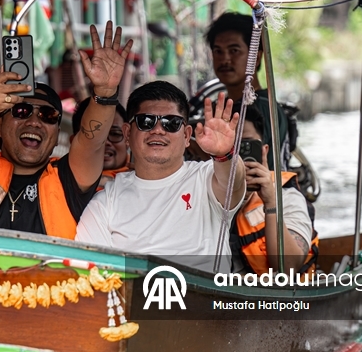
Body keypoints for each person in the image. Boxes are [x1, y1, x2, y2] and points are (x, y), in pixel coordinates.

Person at [0, 22, 133, 238]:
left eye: (47, 116)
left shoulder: (70, 179)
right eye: (21, 111)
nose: (34, 121)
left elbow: (91, 142)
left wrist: (105, 92)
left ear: (57, 134)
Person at [75, 81, 246, 265]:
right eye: (146, 122)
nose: (158, 130)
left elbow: (232, 182)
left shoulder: (205, 177)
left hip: (205, 292)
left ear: (187, 136)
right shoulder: (106, 200)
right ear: (127, 133)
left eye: (171, 123)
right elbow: (92, 271)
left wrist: (224, 154)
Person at [232, 105, 318, 274]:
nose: (238, 155)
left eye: (247, 145)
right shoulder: (199, 194)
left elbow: (288, 269)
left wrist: (271, 204)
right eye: (230, 147)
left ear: (264, 150)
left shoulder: (288, 198)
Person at [207, 12, 290, 169]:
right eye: (218, 51)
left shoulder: (265, 108)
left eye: (234, 51)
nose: (225, 59)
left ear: (256, 58)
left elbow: (251, 170)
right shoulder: (219, 108)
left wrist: (205, 151)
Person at [72, 96, 129, 188]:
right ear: (73, 141)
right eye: (94, 135)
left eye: (115, 133)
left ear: (128, 140)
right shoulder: (54, 176)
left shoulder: (147, 180)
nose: (105, 142)